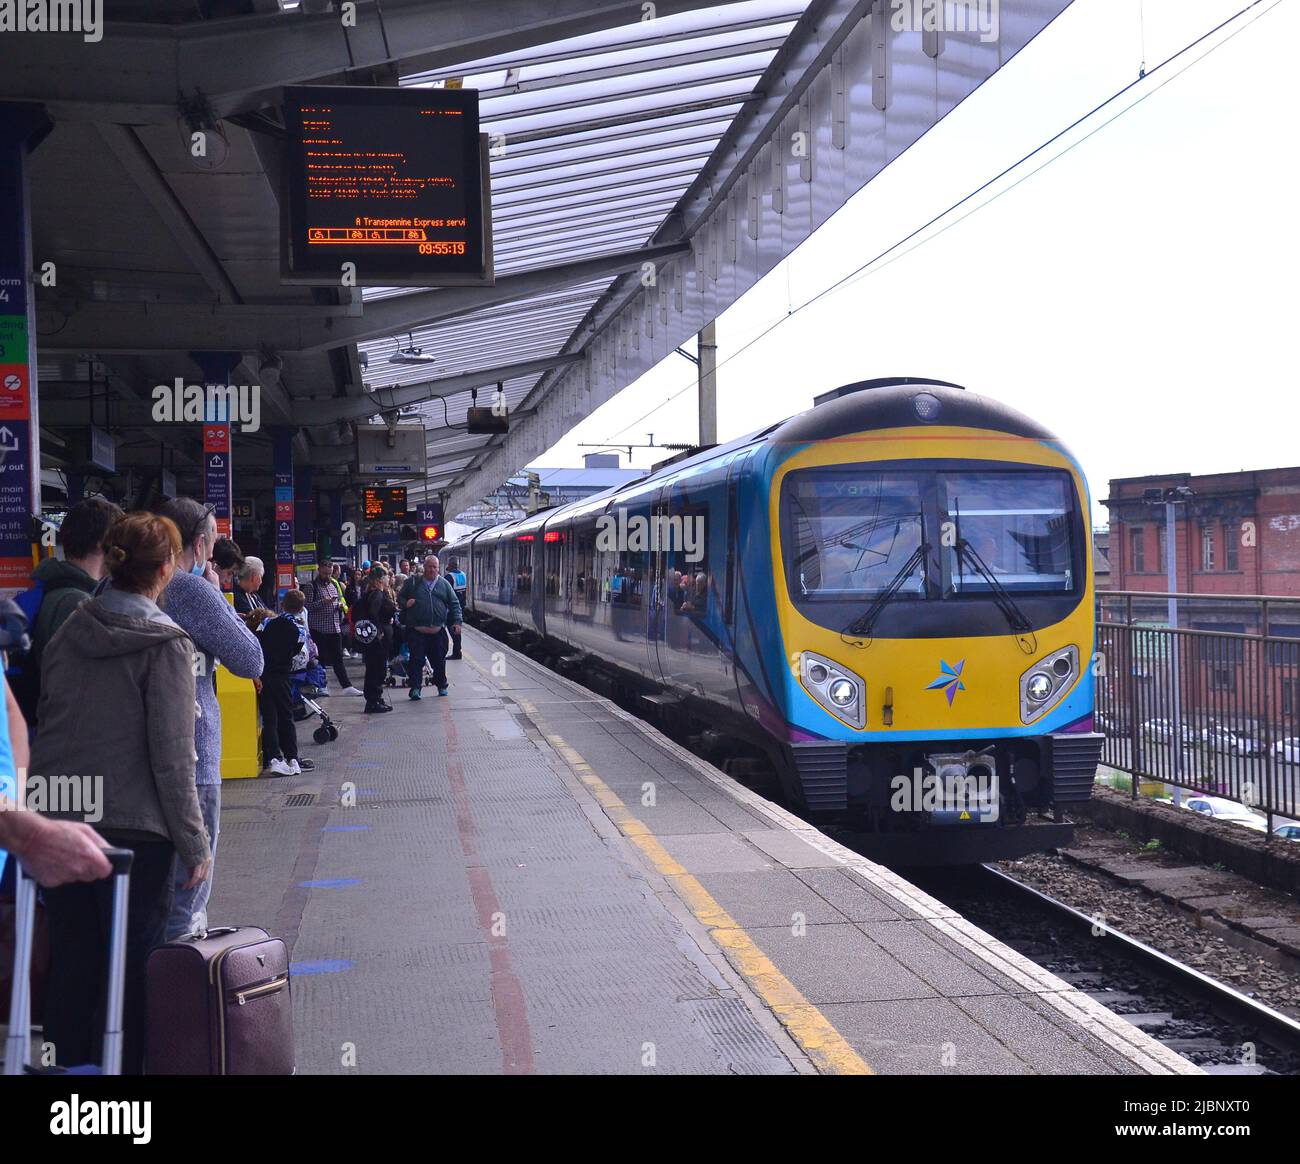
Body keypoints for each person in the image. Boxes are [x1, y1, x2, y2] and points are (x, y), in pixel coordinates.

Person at [32, 512, 211, 1074]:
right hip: (135, 832)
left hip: (62, 820)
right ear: (164, 571)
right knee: (133, 971)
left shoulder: (68, 631)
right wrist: (195, 842)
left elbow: (49, 720)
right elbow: (173, 754)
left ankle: (71, 1091)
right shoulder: (165, 644)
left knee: (72, 964)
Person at [157, 497, 263, 941]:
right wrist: (215, 593)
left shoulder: (111, 590)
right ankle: (178, 986)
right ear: (199, 545)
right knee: (187, 891)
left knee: (151, 890)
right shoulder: (190, 589)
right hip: (193, 753)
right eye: (214, 542)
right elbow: (250, 658)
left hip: (131, 761)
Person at [12, 496, 123, 728]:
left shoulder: (55, 588)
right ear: (103, 542)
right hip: (57, 743)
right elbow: (81, 689)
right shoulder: (75, 603)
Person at [256, 590, 308, 776]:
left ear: (283, 604)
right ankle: (292, 757)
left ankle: (274, 758)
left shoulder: (267, 622)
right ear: (301, 608)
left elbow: (257, 643)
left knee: (270, 718)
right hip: (283, 676)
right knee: (286, 716)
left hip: (264, 675)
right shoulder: (300, 629)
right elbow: (298, 652)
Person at [397, 555, 461, 699]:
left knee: (439, 661)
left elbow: (454, 603)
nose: (432, 569)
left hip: (437, 631)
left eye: (435, 567)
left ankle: (441, 686)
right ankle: (415, 688)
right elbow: (400, 597)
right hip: (417, 631)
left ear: (439, 568)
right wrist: (405, 603)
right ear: (424, 567)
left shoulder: (444, 584)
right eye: (429, 566)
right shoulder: (412, 582)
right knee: (416, 661)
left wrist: (457, 622)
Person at [304, 561, 362, 696]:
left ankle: (346, 686)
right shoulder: (311, 586)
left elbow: (341, 600)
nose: (327, 576)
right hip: (318, 629)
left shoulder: (333, 585)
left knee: (338, 659)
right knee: (321, 659)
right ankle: (321, 685)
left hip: (334, 627)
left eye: (330, 573)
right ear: (319, 570)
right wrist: (323, 602)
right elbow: (307, 606)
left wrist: (340, 605)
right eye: (325, 573)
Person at [354, 568, 397, 714]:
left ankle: (376, 698)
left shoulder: (370, 593)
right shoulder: (377, 594)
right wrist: (379, 631)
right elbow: (374, 612)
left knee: (375, 668)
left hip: (375, 639)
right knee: (377, 669)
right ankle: (373, 700)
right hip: (378, 640)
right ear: (380, 580)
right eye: (386, 578)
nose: (388, 580)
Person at [445, 557, 467, 660]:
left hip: (451, 609)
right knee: (457, 630)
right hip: (460, 607)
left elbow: (446, 594)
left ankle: (457, 652)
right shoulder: (463, 575)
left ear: (450, 565)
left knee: (452, 630)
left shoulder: (449, 577)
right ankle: (457, 651)